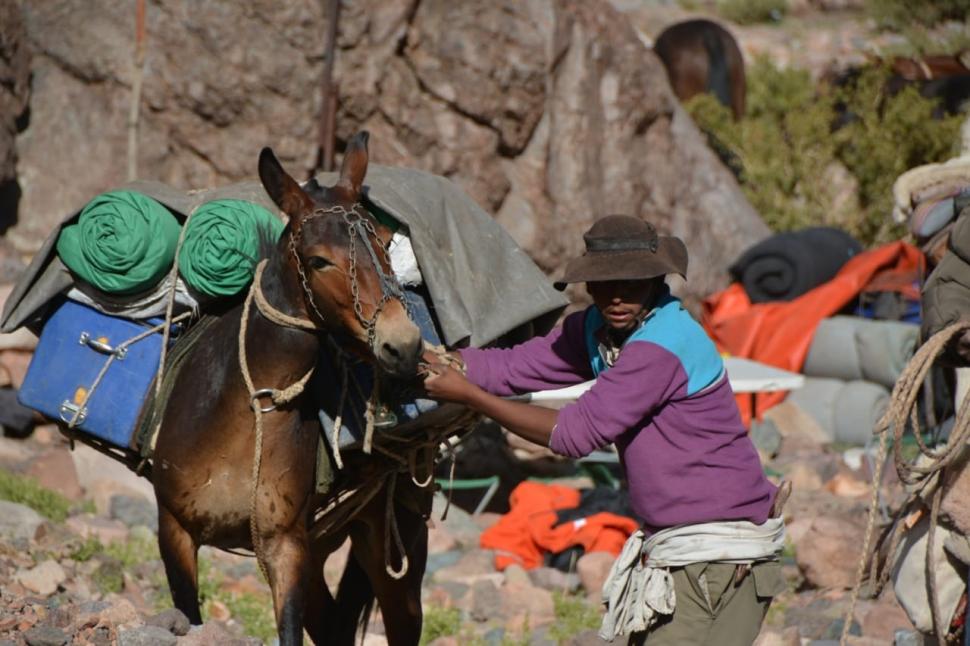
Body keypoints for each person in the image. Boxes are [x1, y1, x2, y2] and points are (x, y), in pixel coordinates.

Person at [423, 214, 788, 645]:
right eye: (602, 284)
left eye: (630, 284)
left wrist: (469, 396)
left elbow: (575, 434)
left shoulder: (661, 345)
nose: (616, 297)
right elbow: (519, 366)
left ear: (656, 281)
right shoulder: (601, 329)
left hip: (720, 554)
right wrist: (448, 362)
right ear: (588, 287)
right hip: (673, 547)